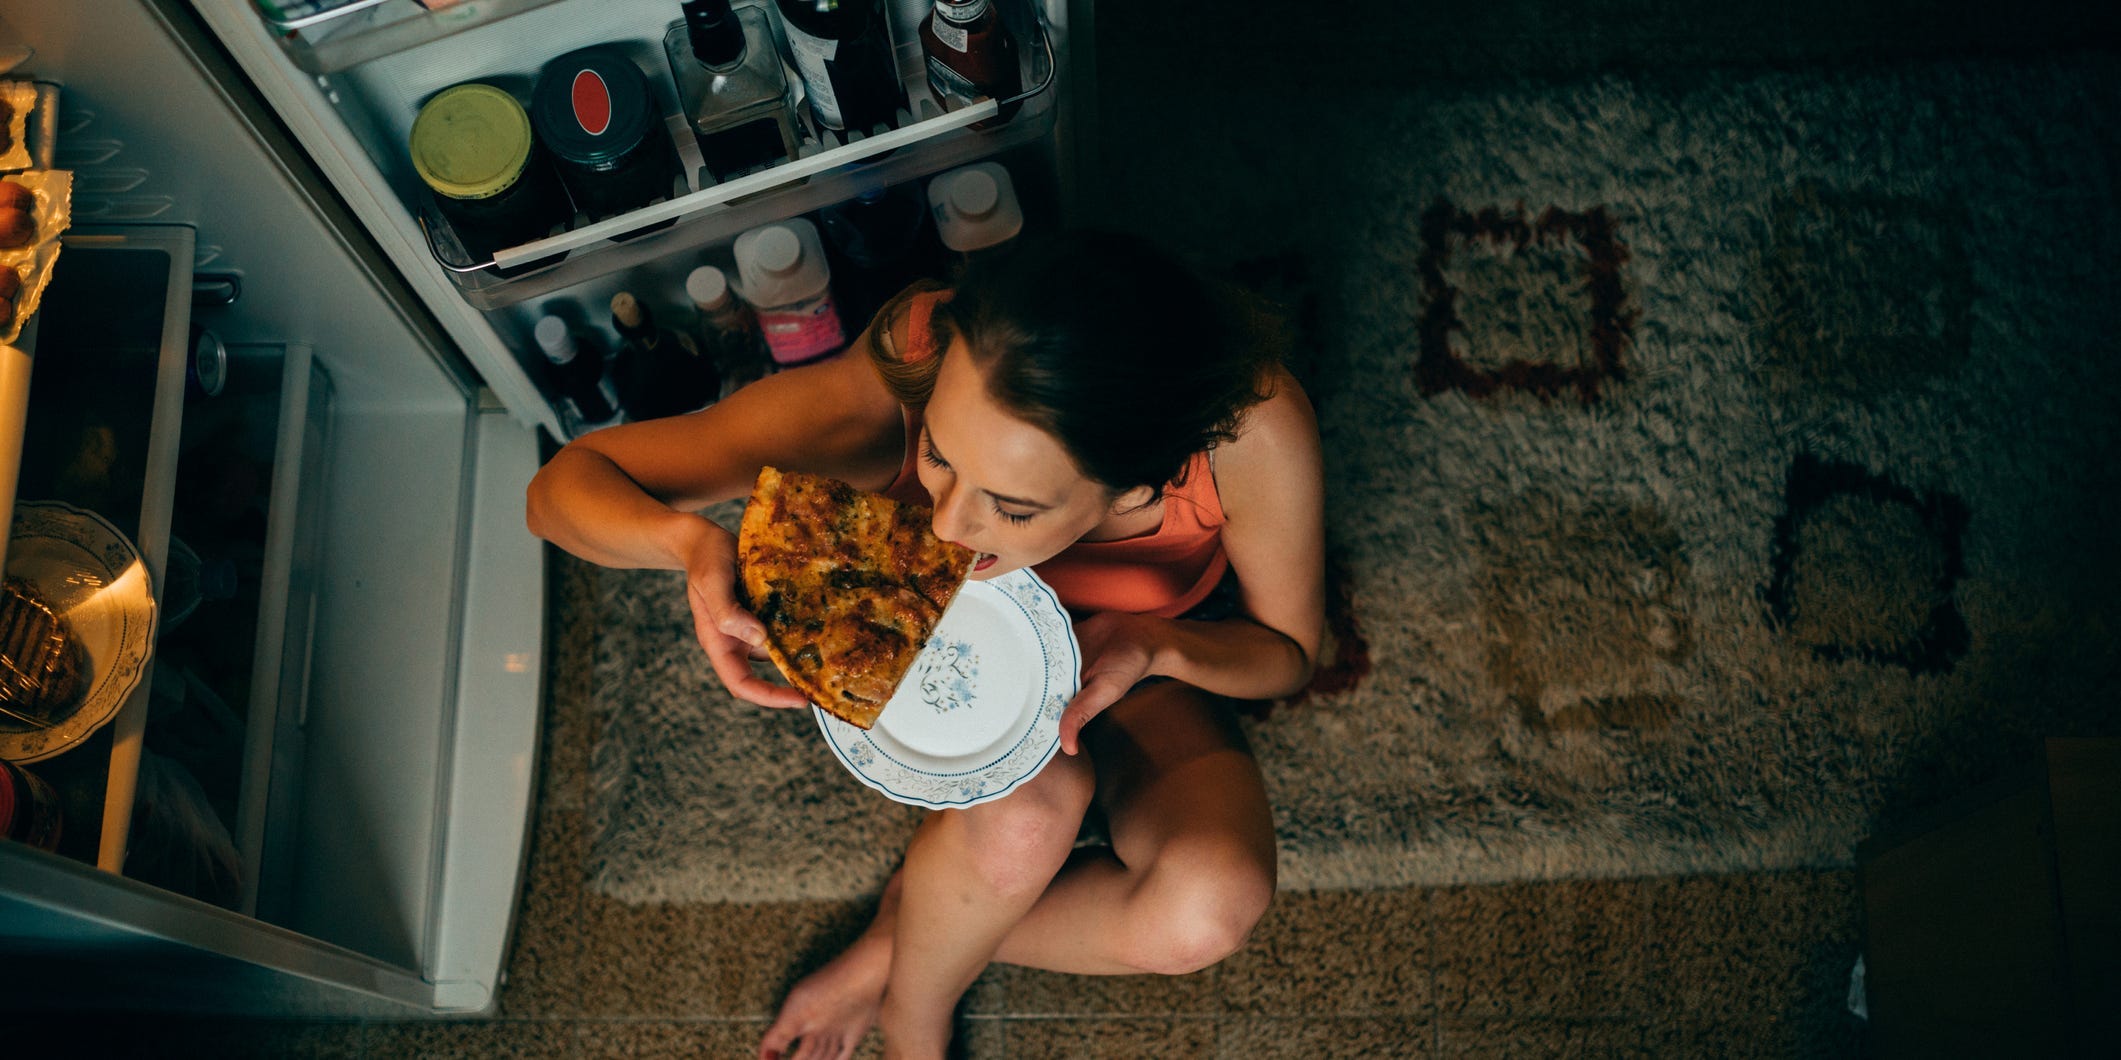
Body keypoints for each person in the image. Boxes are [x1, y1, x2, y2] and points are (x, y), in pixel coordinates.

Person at [524, 229, 1326, 1060]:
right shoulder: (909, 367)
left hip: (1133, 678)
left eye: (1012, 509)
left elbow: (1289, 653)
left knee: (1207, 908)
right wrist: (687, 544)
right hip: (921, 671)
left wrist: (1156, 645)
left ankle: (915, 924)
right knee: (1027, 812)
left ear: (1135, 483)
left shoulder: (1249, 429)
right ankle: (918, 1010)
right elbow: (557, 492)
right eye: (939, 457)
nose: (948, 527)